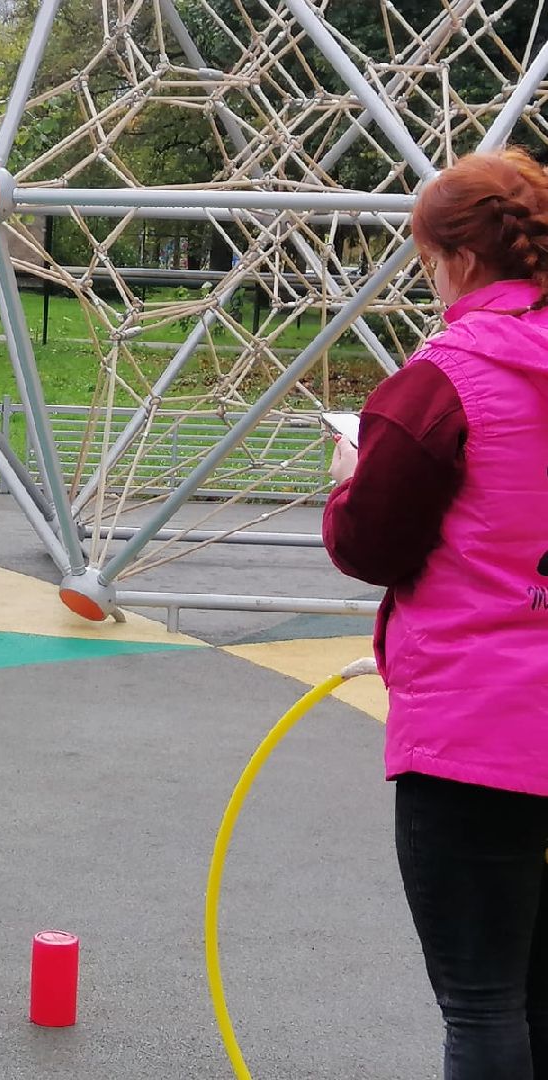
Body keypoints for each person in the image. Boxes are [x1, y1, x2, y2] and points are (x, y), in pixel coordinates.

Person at [322, 147, 548, 1079]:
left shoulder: (443, 379)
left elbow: (370, 546)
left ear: (453, 261)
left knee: (484, 1002)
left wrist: (347, 483)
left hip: (479, 735)